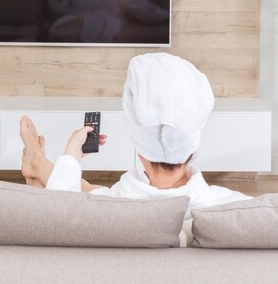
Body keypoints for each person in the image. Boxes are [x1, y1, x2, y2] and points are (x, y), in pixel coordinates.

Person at [20, 52, 250, 214]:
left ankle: (38, 165)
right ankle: (37, 168)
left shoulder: (115, 207)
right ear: (192, 147)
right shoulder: (227, 206)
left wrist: (72, 155)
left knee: (86, 191)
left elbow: (59, 210)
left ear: (140, 150)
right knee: (90, 190)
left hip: (113, 203)